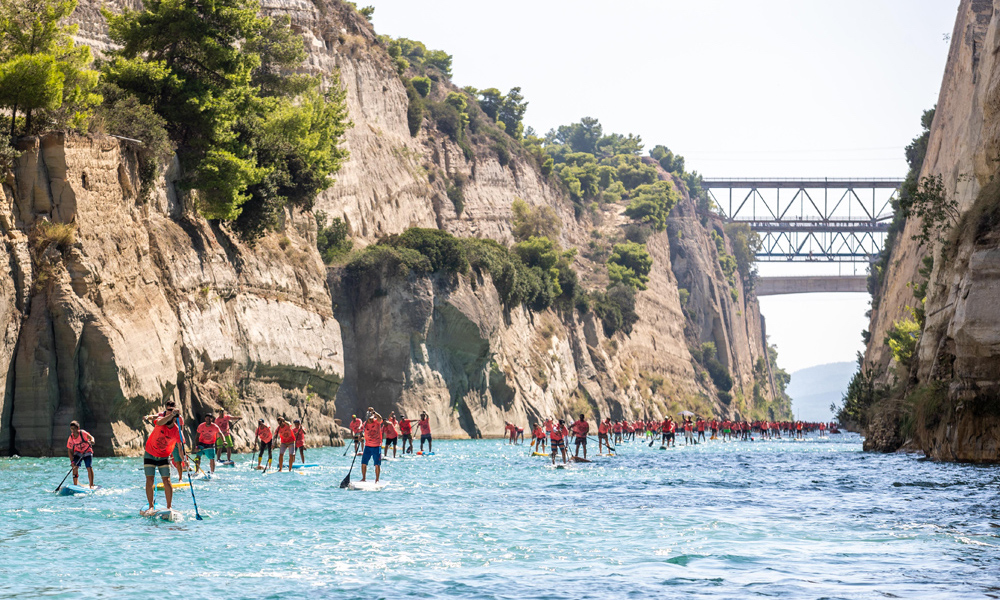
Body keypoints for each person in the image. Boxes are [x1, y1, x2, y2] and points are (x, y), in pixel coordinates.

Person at [143, 406, 182, 514]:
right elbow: (160, 423)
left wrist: (184, 460)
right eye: (168, 415)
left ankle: (169, 507)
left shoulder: (176, 430)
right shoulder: (160, 421)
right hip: (150, 453)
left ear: (175, 419)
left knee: (167, 480)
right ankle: (151, 506)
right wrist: (171, 415)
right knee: (149, 479)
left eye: (172, 416)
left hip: (164, 456)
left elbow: (180, 445)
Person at [143, 401, 187, 482]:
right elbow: (154, 416)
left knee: (178, 460)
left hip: (174, 440)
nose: (169, 409)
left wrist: (180, 442)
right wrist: (147, 416)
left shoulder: (179, 417)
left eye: (171, 408)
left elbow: (181, 429)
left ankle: (180, 478)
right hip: (163, 441)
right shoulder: (163, 414)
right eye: (168, 408)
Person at [66, 421, 96, 488]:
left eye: (74, 429)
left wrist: (92, 441)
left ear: (78, 428)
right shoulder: (71, 438)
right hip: (78, 453)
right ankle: (75, 486)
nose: (73, 431)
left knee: (89, 467)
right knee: (75, 467)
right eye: (71, 429)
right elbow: (70, 451)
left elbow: (92, 437)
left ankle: (91, 485)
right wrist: (72, 462)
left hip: (87, 451)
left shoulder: (82, 433)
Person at [361, 408, 383, 483]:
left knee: (377, 464)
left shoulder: (377, 422)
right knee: (363, 463)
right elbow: (361, 432)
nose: (370, 420)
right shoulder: (365, 424)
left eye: (371, 418)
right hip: (367, 446)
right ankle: (363, 478)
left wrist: (374, 412)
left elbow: (380, 418)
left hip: (377, 446)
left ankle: (377, 480)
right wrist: (361, 437)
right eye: (369, 419)